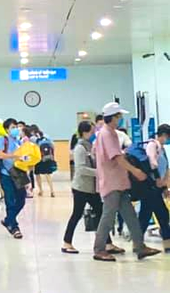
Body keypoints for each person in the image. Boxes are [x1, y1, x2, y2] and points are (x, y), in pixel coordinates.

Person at [93, 102, 160, 262]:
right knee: (108, 216)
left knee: (130, 215)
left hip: (119, 182)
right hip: (112, 183)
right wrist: (135, 171)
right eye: (119, 116)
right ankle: (99, 249)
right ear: (112, 117)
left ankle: (139, 246)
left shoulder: (109, 133)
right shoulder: (107, 134)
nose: (120, 119)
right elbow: (117, 158)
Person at [61, 120, 123, 255]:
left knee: (101, 213)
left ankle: (107, 243)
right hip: (81, 188)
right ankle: (67, 242)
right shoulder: (80, 148)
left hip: (92, 188)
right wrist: (99, 172)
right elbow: (81, 169)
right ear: (84, 133)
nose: (94, 134)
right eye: (92, 131)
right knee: (77, 214)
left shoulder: (90, 146)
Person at [139, 123, 170, 252]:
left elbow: (165, 168)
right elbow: (152, 163)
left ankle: (138, 243)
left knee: (153, 214)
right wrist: (157, 179)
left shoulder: (162, 149)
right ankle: (138, 243)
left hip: (157, 187)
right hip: (150, 186)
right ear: (164, 135)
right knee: (156, 214)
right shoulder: (152, 145)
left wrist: (164, 187)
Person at [0, 117, 27, 238]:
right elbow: (0, 155)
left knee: (22, 198)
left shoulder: (18, 141)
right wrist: (15, 156)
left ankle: (8, 219)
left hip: (18, 173)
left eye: (16, 127)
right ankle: (14, 227)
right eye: (13, 127)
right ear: (6, 129)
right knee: (10, 200)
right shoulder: (2, 140)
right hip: (6, 174)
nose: (16, 129)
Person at [32, 125, 56, 197]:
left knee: (37, 174)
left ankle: (41, 190)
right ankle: (52, 190)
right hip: (47, 157)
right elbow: (52, 146)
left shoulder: (33, 138)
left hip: (38, 158)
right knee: (48, 174)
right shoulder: (46, 136)